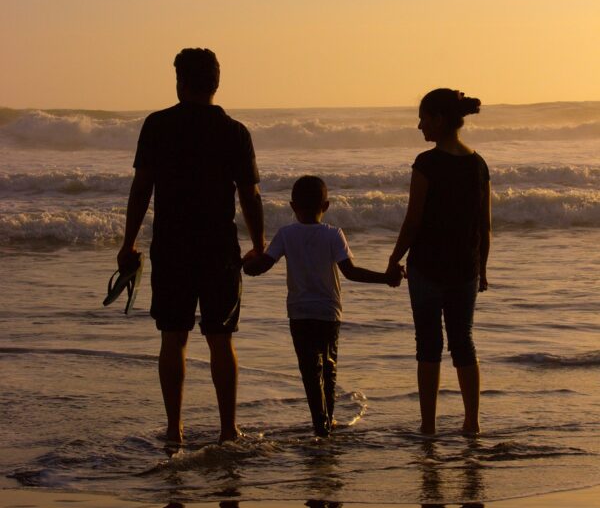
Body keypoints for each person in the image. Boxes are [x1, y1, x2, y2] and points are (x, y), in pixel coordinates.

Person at [117, 48, 265, 446]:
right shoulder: (234, 131)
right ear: (216, 83)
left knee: (173, 336)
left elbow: (141, 188)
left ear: (180, 82)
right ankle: (228, 429)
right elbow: (250, 196)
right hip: (219, 247)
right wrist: (260, 244)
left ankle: (174, 429)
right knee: (221, 338)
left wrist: (128, 242)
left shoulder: (158, 125)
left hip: (172, 245)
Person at [243, 175, 402, 437]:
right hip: (329, 313)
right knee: (329, 368)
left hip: (300, 313)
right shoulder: (333, 234)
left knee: (309, 371)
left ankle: (321, 425)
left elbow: (259, 268)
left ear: (292, 206)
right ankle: (326, 422)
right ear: (326, 206)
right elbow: (350, 272)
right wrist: (386, 278)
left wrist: (242, 263)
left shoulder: (286, 234)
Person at [387, 89, 491, 435]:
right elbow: (484, 223)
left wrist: (393, 259)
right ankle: (472, 422)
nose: (419, 125)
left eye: (423, 118)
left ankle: (428, 426)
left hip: (428, 267)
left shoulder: (427, 163)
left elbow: (413, 221)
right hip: (465, 268)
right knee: (463, 341)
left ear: (439, 119)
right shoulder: (477, 163)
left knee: (428, 345)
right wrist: (484, 268)